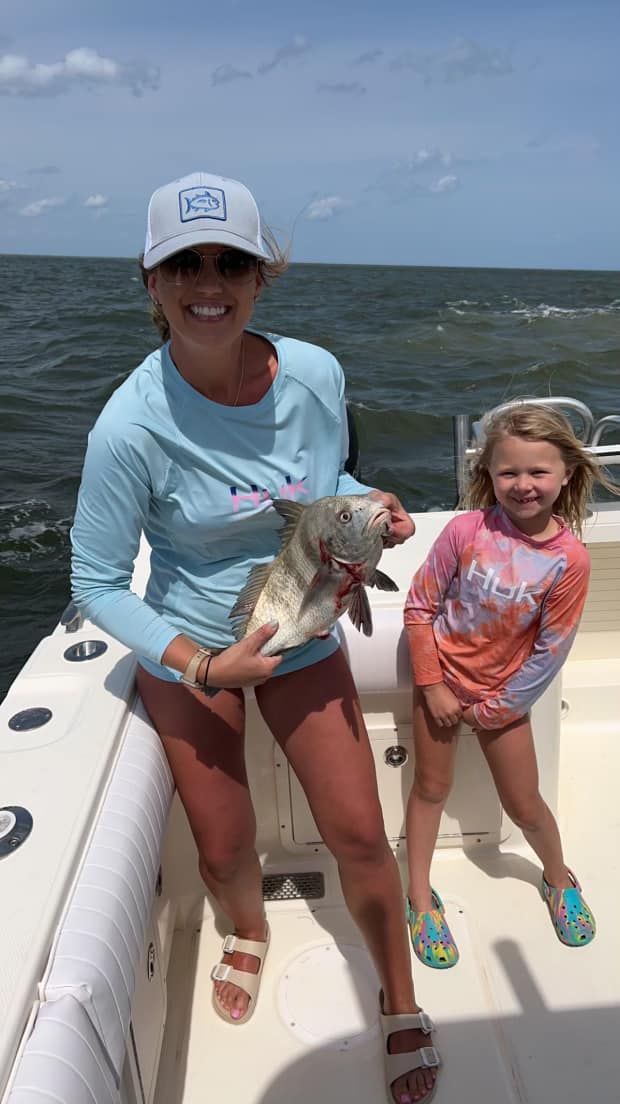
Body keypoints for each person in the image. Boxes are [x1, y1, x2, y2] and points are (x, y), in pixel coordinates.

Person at [71, 171, 440, 1103]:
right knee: (225, 848)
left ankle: (399, 995)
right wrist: (204, 662)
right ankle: (247, 931)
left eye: (231, 260)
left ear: (262, 275)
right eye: (183, 263)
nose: (209, 280)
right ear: (150, 283)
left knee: (360, 831)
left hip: (308, 626)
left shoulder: (316, 372)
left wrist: (374, 511)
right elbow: (97, 584)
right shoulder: (128, 429)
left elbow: (332, 480)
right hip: (193, 643)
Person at [403, 402, 617, 970]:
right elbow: (420, 607)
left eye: (538, 472)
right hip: (441, 687)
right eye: (509, 473)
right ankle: (420, 899)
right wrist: (433, 688)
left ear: (567, 473)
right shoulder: (464, 530)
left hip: (506, 700)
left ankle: (557, 878)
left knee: (525, 805)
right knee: (428, 791)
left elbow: (552, 649)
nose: (523, 485)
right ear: (488, 475)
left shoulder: (568, 559)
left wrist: (497, 709)